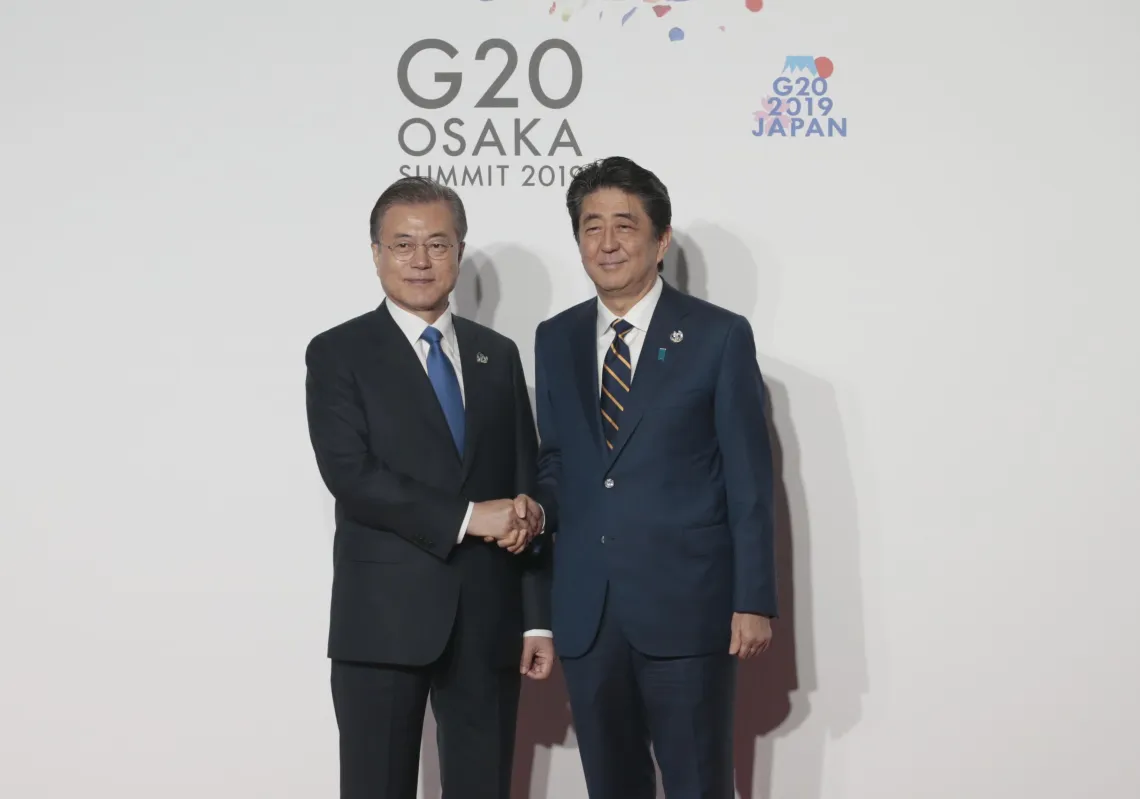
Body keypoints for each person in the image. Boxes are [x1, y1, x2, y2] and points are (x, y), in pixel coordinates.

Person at [532, 156, 778, 798]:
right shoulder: (553, 339)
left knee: (698, 784)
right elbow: (557, 460)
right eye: (591, 227)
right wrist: (534, 511)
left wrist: (751, 599)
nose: (607, 243)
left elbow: (749, 478)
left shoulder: (718, 336)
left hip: (689, 607)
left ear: (660, 239)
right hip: (589, 611)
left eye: (624, 226)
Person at [304, 176, 554, 799]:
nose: (420, 261)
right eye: (403, 244)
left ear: (460, 251)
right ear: (376, 253)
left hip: (487, 622)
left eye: (438, 244)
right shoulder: (338, 352)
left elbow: (524, 481)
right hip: (382, 621)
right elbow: (352, 477)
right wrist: (472, 517)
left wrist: (535, 622)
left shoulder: (498, 356)